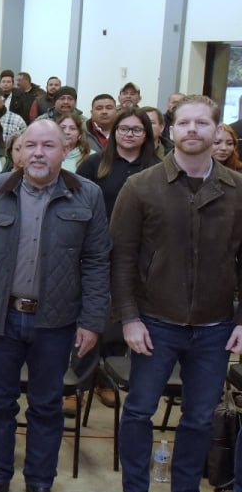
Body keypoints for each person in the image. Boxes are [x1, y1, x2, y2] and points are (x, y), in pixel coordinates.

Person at [0, 119, 109, 492]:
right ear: (19, 151)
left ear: (66, 151)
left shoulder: (88, 195)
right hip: (1, 318)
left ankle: (41, 482)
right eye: (31, 145)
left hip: (56, 321)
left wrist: (92, 320)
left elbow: (97, 261)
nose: (39, 153)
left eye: (48, 145)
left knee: (46, 405)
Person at [111, 95, 242, 492]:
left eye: (202, 123)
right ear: (170, 131)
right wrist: (129, 318)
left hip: (215, 327)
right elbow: (121, 259)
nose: (192, 130)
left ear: (217, 131)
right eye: (184, 122)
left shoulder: (237, 189)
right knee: (139, 411)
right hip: (155, 322)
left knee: (200, 417)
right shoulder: (142, 186)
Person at [71, 107, 160, 412]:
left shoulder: (157, 168)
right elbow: (76, 204)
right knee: (91, 317)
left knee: (120, 319)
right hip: (97, 253)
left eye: (136, 129)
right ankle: (77, 382)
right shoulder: (94, 164)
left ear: (147, 134)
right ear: (114, 133)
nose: (129, 134)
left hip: (139, 257)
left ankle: (106, 379)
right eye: (124, 129)